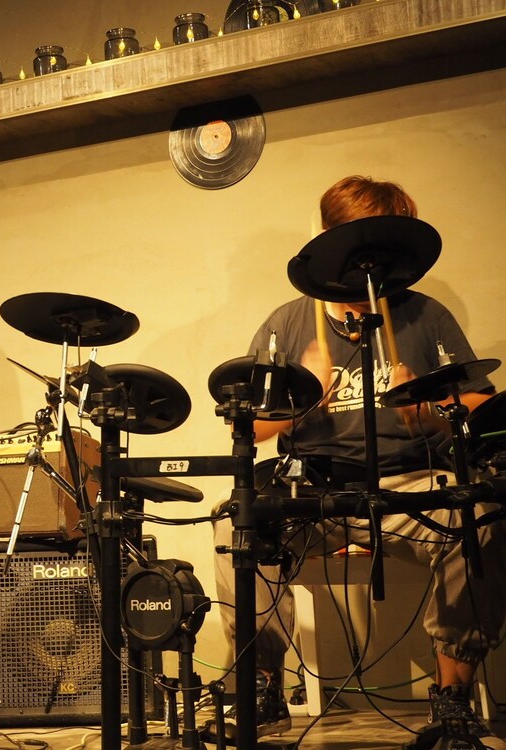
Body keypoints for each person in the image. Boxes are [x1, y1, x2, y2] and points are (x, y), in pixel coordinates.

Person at [209, 176, 505, 747]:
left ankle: (452, 701)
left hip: (409, 483)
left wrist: (430, 410)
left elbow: (480, 402)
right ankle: (264, 687)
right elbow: (247, 427)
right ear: (328, 238)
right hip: (315, 490)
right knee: (233, 520)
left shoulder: (424, 314)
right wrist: (305, 398)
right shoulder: (288, 321)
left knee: (481, 515)